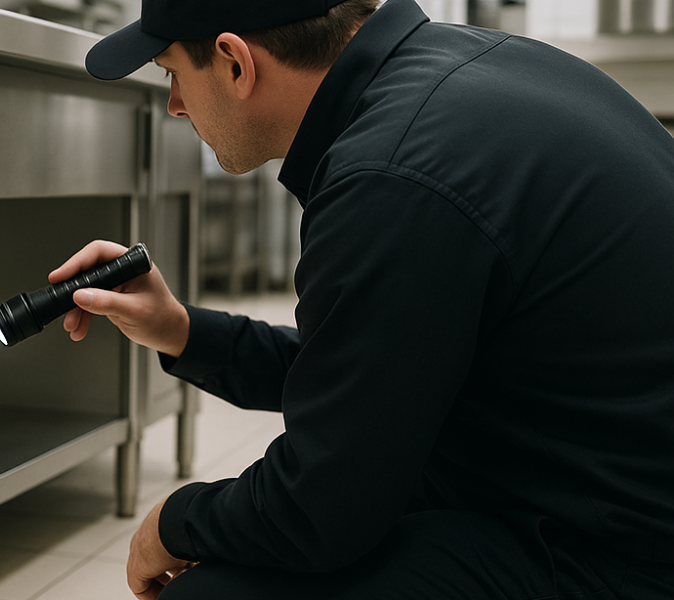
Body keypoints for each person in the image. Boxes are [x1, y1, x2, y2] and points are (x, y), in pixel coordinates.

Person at [49, 0, 674, 598]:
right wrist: (183, 331)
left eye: (174, 75)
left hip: (625, 556)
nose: (175, 106)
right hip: (597, 484)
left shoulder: (391, 175)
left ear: (235, 63)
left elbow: (320, 510)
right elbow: (377, 379)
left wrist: (174, 521)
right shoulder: (465, 71)